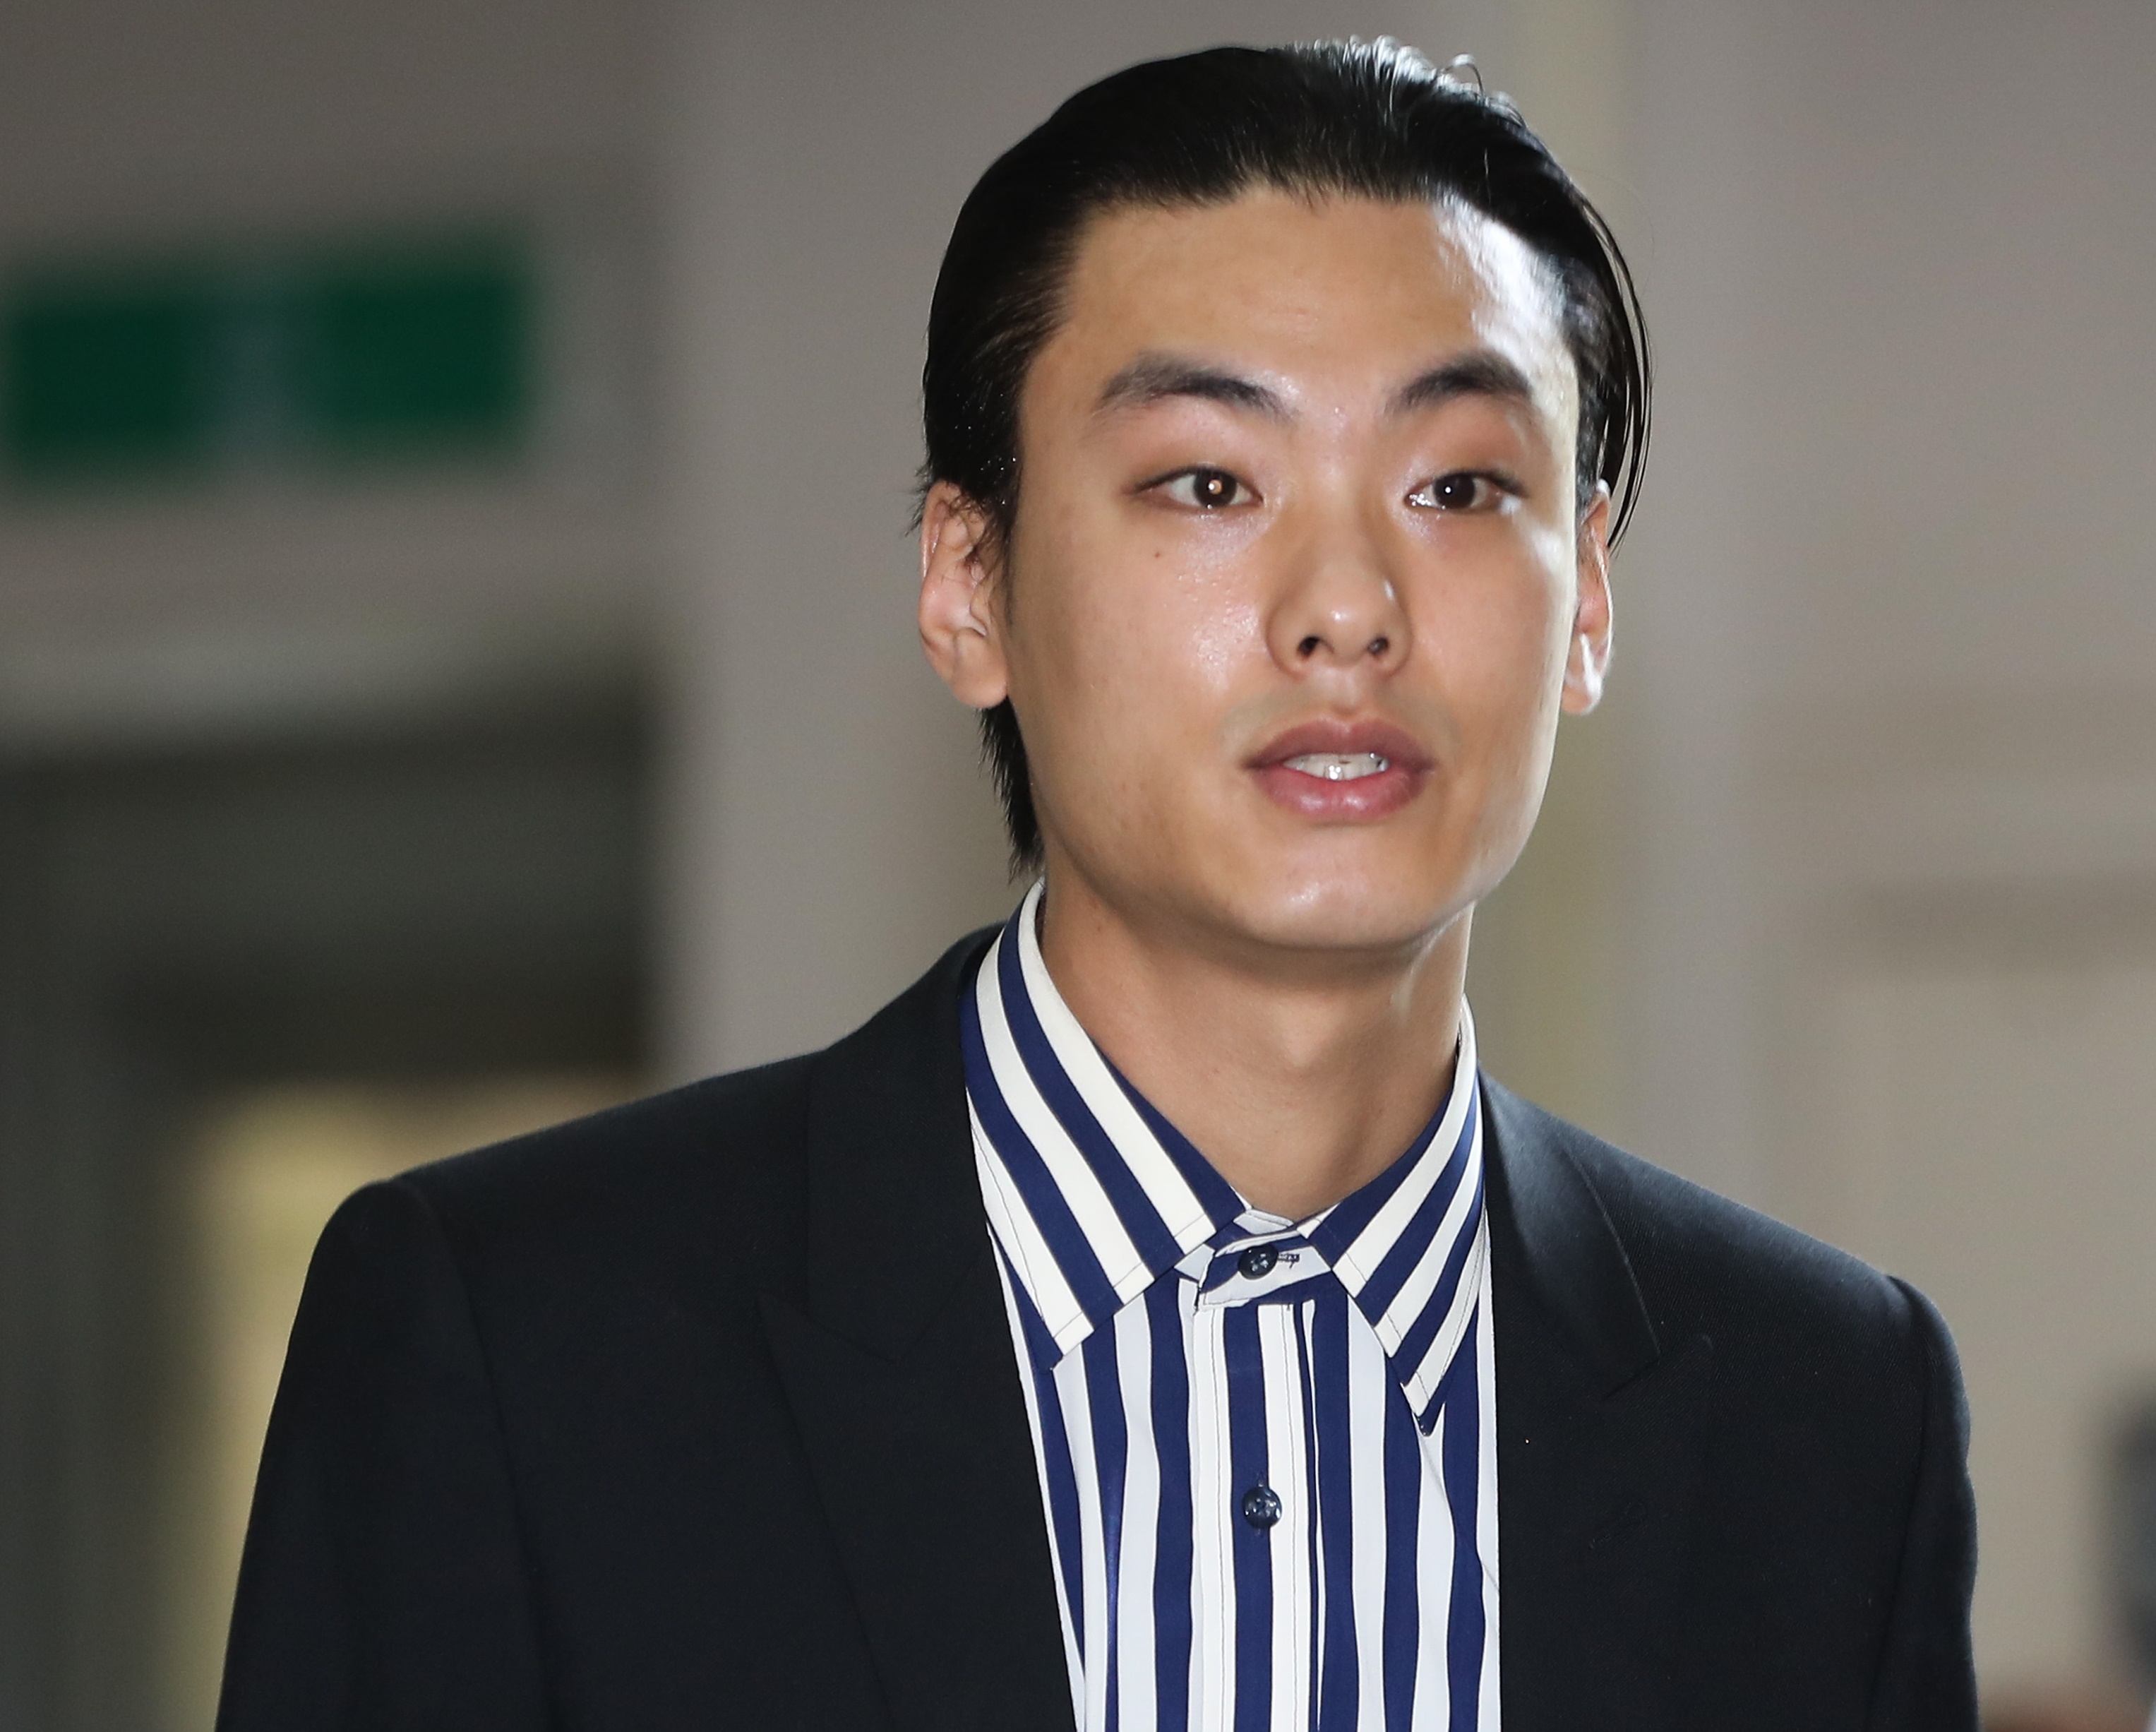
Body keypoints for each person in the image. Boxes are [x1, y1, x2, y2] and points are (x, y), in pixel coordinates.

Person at [217, 40, 1977, 1732]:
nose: (1348, 608)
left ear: (1585, 598)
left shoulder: (1828, 1414)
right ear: (968, 583)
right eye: (1210, 482)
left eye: (1457, 485)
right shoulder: (525, 1348)